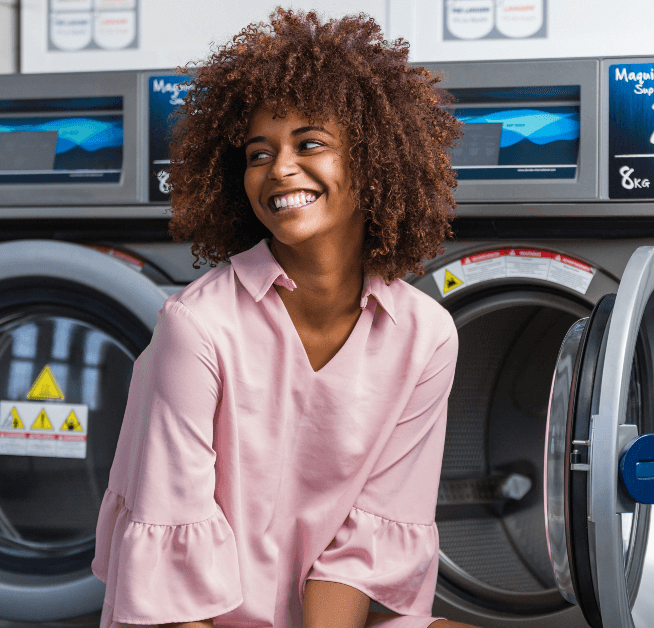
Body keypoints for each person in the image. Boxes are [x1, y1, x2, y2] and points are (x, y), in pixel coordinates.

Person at [92, 8, 481, 628]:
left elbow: (366, 545)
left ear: (374, 160)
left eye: (310, 144)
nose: (279, 170)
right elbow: (173, 573)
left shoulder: (424, 335)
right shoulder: (197, 327)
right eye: (257, 153)